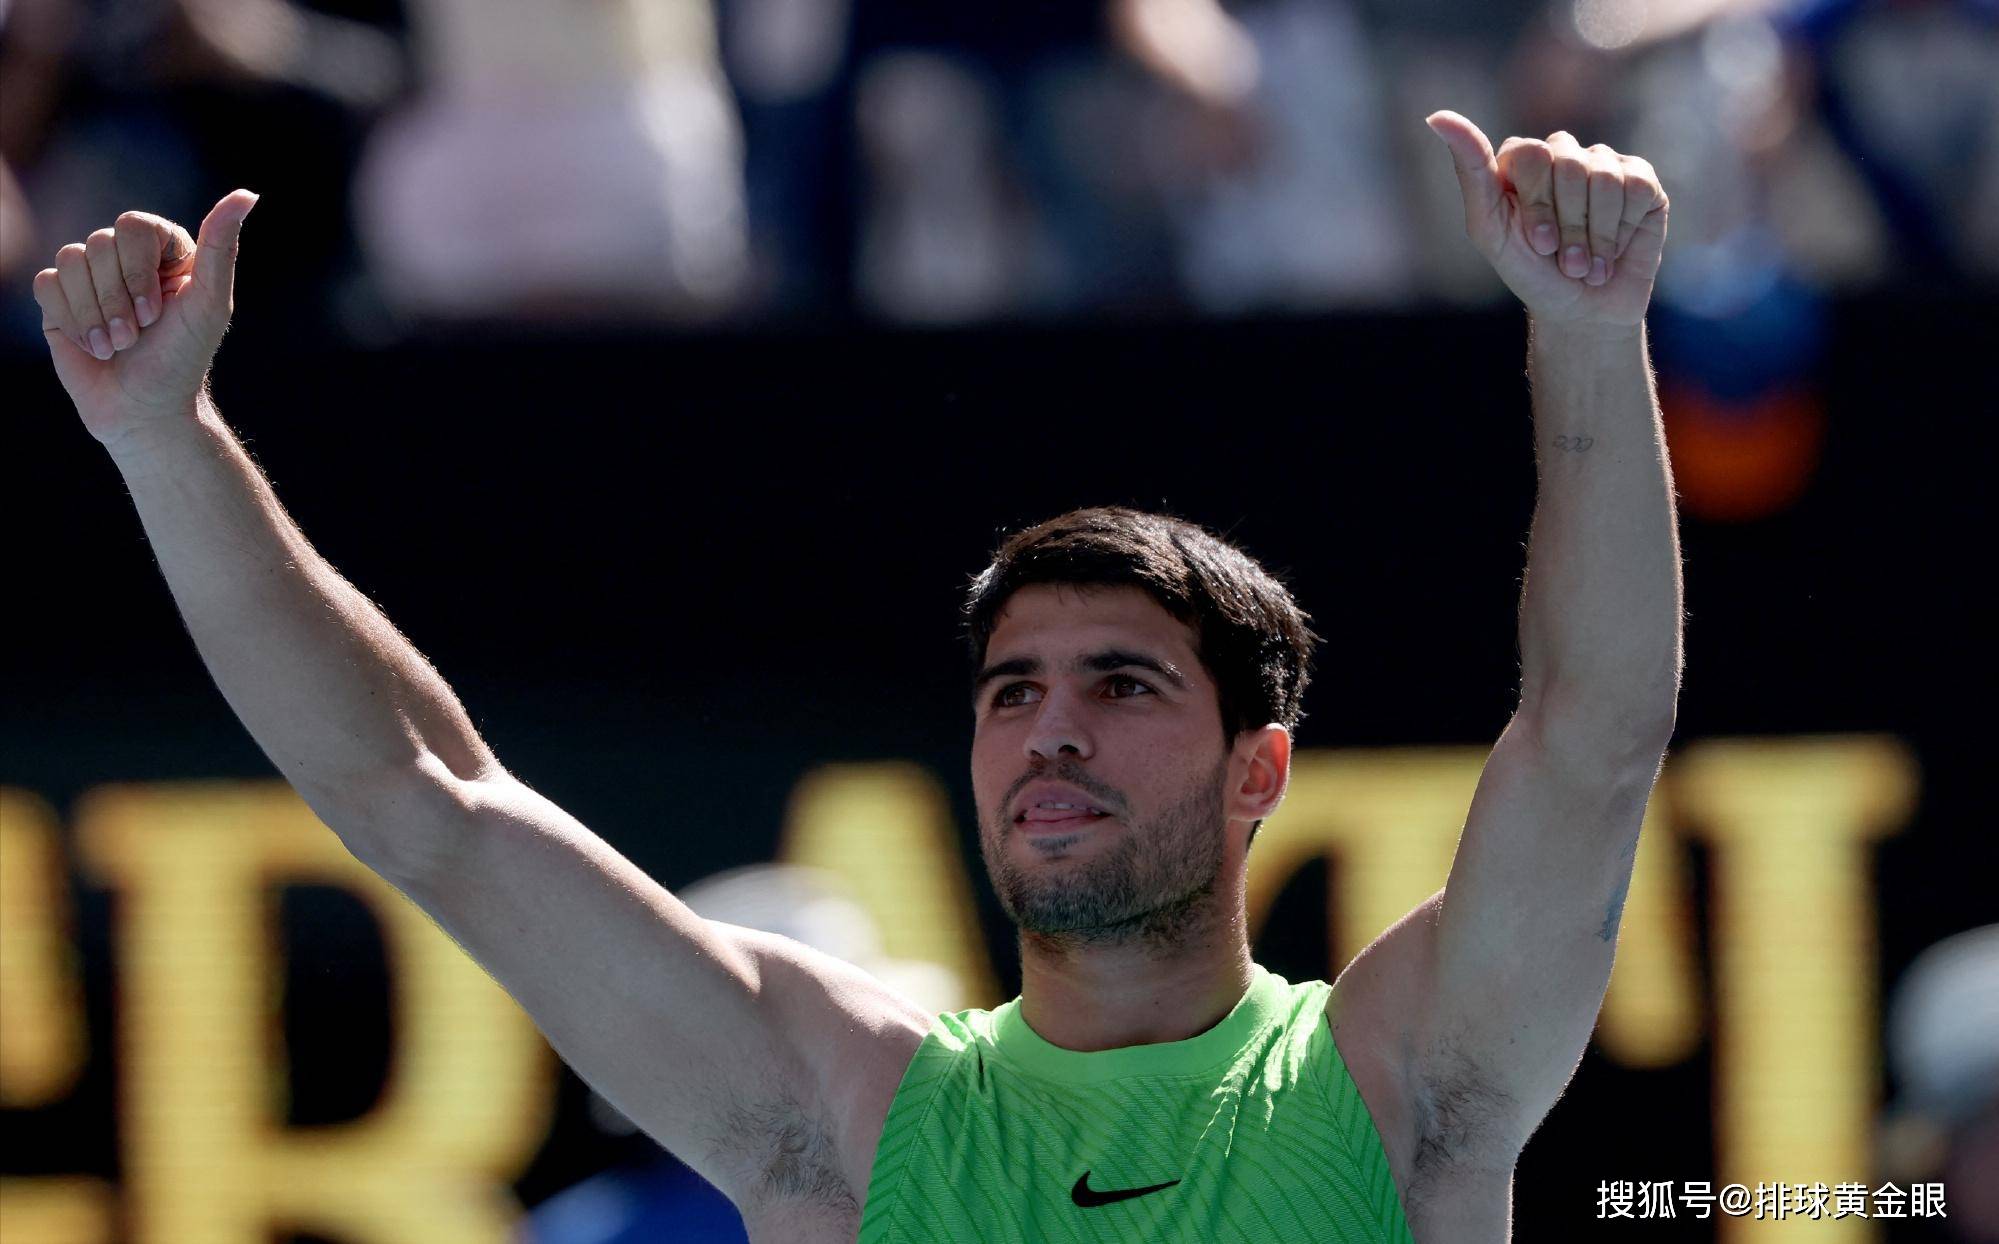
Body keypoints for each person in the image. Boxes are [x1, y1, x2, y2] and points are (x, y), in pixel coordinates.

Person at [31, 110, 1681, 1241]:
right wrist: (166, 443)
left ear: (1261, 769)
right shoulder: (850, 1114)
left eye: (1122, 685)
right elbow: (424, 798)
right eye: (1012, 692)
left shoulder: (1399, 1079)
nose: (1050, 733)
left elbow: (1594, 736)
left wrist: (1591, 334)